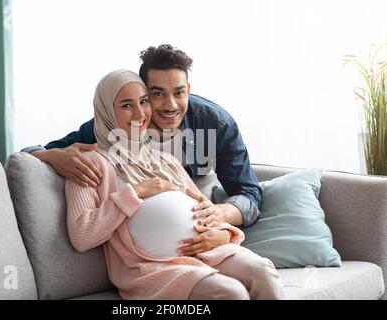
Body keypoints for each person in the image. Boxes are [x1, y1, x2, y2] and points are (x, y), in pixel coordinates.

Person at [65, 69, 285, 300]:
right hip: (156, 267)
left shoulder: (165, 161)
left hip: (209, 251)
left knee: (263, 272)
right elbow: (82, 236)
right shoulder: (89, 163)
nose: (140, 113)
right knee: (230, 293)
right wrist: (135, 193)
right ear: (107, 110)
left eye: (143, 102)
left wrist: (223, 234)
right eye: (127, 105)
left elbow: (203, 206)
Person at [23, 44, 261, 255]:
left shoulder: (215, 124)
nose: (170, 105)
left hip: (199, 222)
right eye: (157, 94)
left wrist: (220, 216)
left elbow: (249, 192)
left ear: (188, 89)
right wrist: (49, 155)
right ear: (143, 93)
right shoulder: (114, 126)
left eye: (179, 92)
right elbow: (28, 154)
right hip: (145, 243)